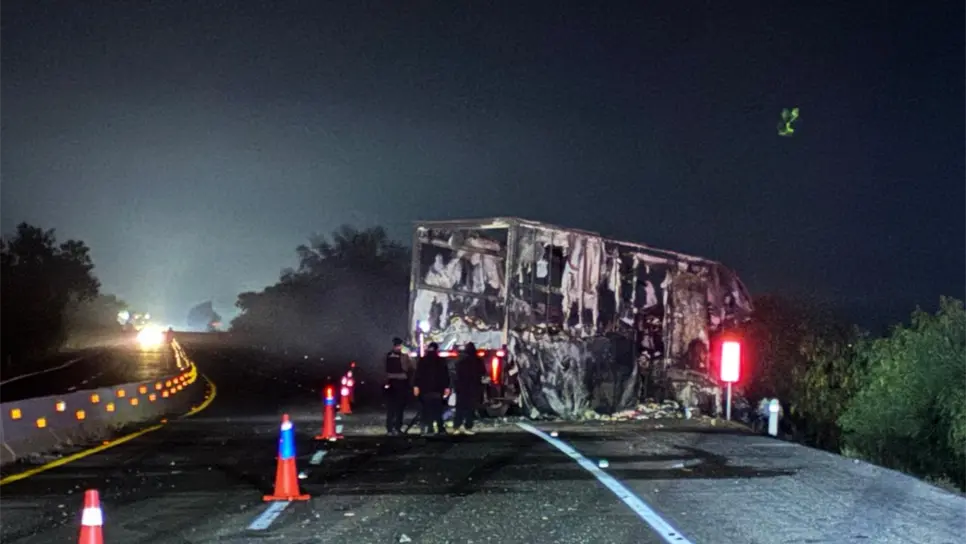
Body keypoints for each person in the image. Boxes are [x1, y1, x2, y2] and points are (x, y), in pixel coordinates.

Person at [413, 342, 450, 435]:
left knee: (427, 409)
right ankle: (440, 429)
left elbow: (418, 374)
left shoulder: (423, 360)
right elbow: (445, 375)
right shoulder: (441, 361)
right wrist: (446, 387)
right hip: (438, 389)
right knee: (438, 410)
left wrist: (416, 386)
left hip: (425, 390)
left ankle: (430, 428)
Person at [453, 342, 486, 435]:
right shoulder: (478, 361)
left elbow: (456, 375)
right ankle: (468, 426)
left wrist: (455, 387)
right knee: (470, 409)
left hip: (462, 388)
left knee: (459, 408)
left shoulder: (461, 361)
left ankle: (457, 427)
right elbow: (482, 373)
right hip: (473, 388)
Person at [384, 337, 410, 436]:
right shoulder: (402, 356)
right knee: (397, 408)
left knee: (394, 408)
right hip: (397, 385)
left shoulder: (389, 356)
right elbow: (409, 368)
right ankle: (394, 428)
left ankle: (392, 428)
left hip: (394, 385)